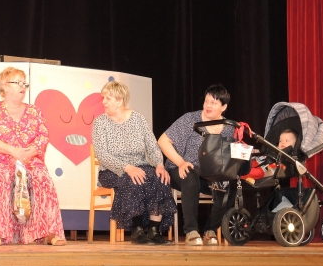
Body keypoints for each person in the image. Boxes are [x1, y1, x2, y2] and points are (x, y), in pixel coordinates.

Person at [0, 67, 66, 246]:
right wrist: (13, 151)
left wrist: (27, 154)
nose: (22, 86)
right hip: (1, 161)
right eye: (17, 82)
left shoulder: (34, 111)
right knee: (1, 177)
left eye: (24, 83)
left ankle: (49, 233)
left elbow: (43, 137)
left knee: (42, 178)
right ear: (5, 86)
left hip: (30, 161)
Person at [92, 81, 176, 245]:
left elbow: (152, 146)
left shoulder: (138, 119)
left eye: (108, 98)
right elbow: (102, 155)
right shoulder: (100, 123)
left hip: (139, 166)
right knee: (132, 180)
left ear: (119, 100)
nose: (104, 102)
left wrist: (159, 164)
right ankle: (137, 231)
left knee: (159, 178)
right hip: (112, 170)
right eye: (103, 98)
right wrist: (127, 168)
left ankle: (154, 230)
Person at [158, 84, 236, 246]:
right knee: (190, 174)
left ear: (224, 107)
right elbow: (163, 141)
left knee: (230, 184)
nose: (208, 105)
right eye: (206, 101)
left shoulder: (228, 128)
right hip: (180, 169)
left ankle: (210, 230)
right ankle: (191, 231)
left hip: (208, 174)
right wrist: (180, 162)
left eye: (214, 103)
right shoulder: (190, 119)